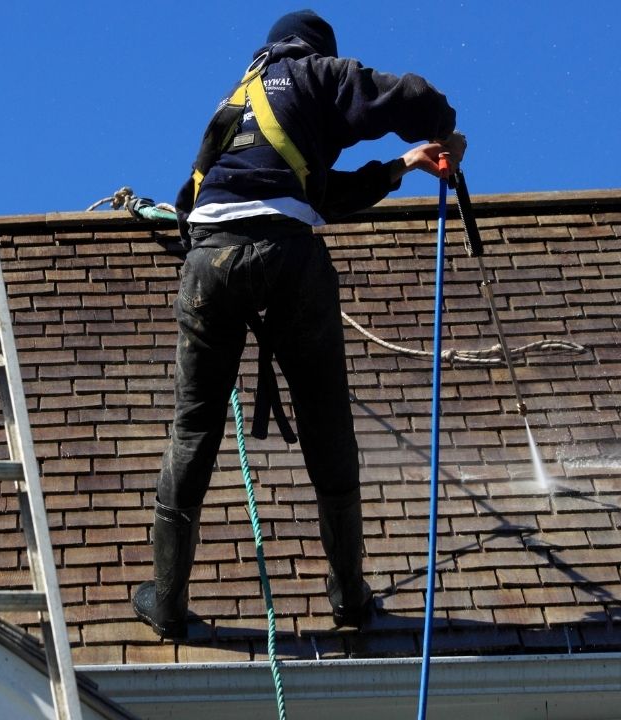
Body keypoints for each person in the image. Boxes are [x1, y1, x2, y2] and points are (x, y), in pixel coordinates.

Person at [133, 9, 466, 639]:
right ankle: (349, 595)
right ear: (314, 48)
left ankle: (167, 599)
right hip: (288, 257)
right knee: (325, 424)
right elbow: (410, 97)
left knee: (194, 427)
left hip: (209, 263)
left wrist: (403, 166)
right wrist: (445, 132)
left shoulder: (233, 107)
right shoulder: (316, 74)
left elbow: (293, 194)